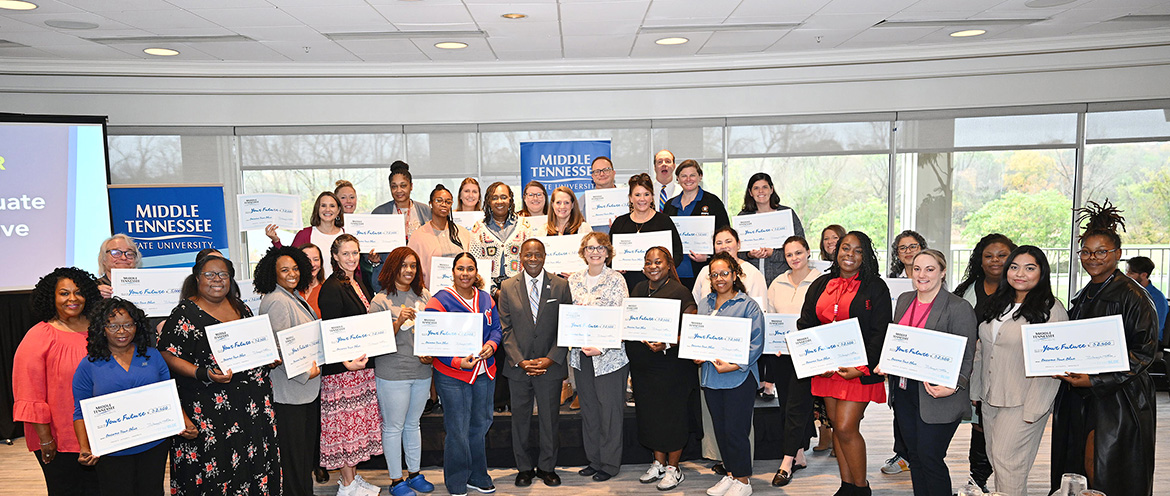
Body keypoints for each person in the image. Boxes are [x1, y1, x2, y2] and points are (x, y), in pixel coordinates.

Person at [1051, 200, 1157, 496]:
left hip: (1119, 399)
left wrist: (1096, 380)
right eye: (1086, 251)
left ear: (1117, 254)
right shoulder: (1088, 292)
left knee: (1102, 468)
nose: (1092, 257)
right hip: (1083, 395)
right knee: (1080, 470)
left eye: (1101, 252)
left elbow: (1144, 353)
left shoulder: (1134, 296)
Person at [157, 255, 281, 495]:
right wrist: (204, 373)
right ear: (197, 278)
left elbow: (254, 344)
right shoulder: (185, 312)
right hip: (210, 410)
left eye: (223, 275)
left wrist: (268, 357)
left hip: (252, 407)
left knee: (253, 464)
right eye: (210, 274)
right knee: (217, 468)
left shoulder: (240, 307)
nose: (217, 280)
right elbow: (167, 355)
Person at [798, 231, 891, 496]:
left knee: (846, 427)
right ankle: (847, 486)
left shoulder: (876, 287)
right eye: (845, 248)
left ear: (866, 256)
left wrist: (861, 368)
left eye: (858, 251)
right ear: (836, 251)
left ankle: (861, 488)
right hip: (828, 369)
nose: (850, 255)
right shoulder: (820, 283)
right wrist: (815, 361)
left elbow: (881, 331)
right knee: (838, 430)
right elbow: (806, 324)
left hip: (857, 371)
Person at [970, 245, 1068, 496]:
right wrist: (976, 391)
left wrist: (1035, 409)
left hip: (1024, 403)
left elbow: (1054, 364)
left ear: (1042, 272)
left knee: (1008, 464)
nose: (1020, 273)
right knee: (998, 462)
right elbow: (983, 349)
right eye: (1014, 267)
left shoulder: (1051, 310)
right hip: (992, 398)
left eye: (1029, 268)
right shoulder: (1000, 303)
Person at [72, 297, 194, 496]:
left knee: (152, 491)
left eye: (128, 324)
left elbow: (169, 396)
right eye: (113, 326)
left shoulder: (153, 356)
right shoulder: (89, 365)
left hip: (153, 445)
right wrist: (84, 447)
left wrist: (185, 422)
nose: (122, 332)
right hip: (111, 450)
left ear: (137, 326)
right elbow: (80, 411)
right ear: (101, 328)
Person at [881, 249, 977, 496]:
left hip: (938, 394)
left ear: (943, 272)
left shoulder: (959, 307)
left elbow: (967, 356)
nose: (922, 275)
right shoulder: (903, 299)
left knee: (930, 456)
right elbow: (898, 342)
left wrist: (954, 385)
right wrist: (887, 362)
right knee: (914, 455)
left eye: (930, 269)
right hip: (903, 391)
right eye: (917, 269)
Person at [13, 267, 103, 495]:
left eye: (79, 292)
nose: (72, 299)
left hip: (104, 433)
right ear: (51, 298)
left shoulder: (101, 331)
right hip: (60, 440)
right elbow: (29, 393)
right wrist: (45, 439)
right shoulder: (39, 336)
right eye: (64, 293)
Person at [424, 252, 503, 496]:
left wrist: (492, 346)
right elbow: (432, 341)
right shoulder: (439, 301)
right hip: (452, 375)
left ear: (476, 272)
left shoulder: (487, 299)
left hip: (483, 372)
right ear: (453, 272)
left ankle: (478, 475)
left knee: (480, 425)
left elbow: (497, 330)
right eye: (461, 269)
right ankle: (457, 479)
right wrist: (458, 362)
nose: (465, 274)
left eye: (470, 269)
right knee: (457, 428)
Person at [498, 239, 574, 487]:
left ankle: (547, 467)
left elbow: (567, 326)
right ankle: (523, 468)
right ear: (520, 256)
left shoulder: (561, 285)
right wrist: (520, 361)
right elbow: (505, 329)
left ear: (544, 256)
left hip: (549, 366)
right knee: (519, 419)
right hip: (518, 367)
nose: (533, 259)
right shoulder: (508, 286)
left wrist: (551, 358)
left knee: (549, 419)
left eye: (537, 254)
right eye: (528, 254)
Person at [316, 235, 383, 496]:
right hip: (344, 373)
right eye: (346, 254)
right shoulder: (332, 287)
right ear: (334, 256)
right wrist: (345, 364)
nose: (352, 258)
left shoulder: (356, 281)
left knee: (356, 429)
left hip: (361, 369)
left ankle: (352, 479)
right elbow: (331, 332)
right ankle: (346, 485)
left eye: (355, 253)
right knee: (345, 430)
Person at [626, 246, 698, 491]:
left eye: (658, 262)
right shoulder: (637, 289)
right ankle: (658, 462)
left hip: (673, 368)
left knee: (672, 417)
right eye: (648, 262)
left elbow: (691, 328)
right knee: (651, 416)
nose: (652, 266)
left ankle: (674, 468)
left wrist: (667, 342)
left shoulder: (680, 292)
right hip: (644, 369)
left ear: (668, 265)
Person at [368, 247, 437, 496]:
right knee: (394, 426)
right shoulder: (380, 300)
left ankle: (415, 474)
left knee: (413, 424)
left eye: (413, 265)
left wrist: (431, 354)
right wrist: (397, 322)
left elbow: (433, 334)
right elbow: (374, 342)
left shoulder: (426, 296)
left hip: (421, 371)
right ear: (393, 268)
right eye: (403, 265)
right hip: (392, 373)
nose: (409, 270)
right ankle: (396, 480)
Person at [254, 246, 323, 496]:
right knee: (294, 461)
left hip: (303, 393)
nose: (292, 273)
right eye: (284, 270)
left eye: (295, 268)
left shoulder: (292, 295)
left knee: (302, 458)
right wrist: (306, 373)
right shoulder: (277, 300)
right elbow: (275, 348)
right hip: (290, 393)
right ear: (273, 274)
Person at [696, 253, 765, 496]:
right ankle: (730, 474)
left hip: (738, 378)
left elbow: (756, 345)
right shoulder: (705, 304)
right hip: (711, 377)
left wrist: (733, 365)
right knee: (721, 429)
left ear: (735, 275)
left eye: (725, 273)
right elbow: (700, 336)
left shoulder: (748, 306)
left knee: (736, 430)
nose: (720, 278)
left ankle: (744, 481)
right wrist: (696, 353)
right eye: (714, 275)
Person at [564, 234, 630, 482]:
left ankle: (610, 464)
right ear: (583, 251)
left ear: (607, 251)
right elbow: (567, 316)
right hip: (580, 356)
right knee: (589, 410)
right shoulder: (573, 280)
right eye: (590, 247)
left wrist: (602, 347)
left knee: (610, 412)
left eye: (600, 247)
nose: (595, 252)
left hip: (610, 357)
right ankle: (594, 460)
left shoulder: (616, 279)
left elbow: (622, 317)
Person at [953, 233, 1015, 491]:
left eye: (1002, 255)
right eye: (988, 256)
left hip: (1008, 373)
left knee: (999, 429)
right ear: (980, 260)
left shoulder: (1022, 289)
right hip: (974, 371)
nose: (995, 260)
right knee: (979, 426)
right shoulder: (966, 290)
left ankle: (1002, 480)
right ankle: (977, 480)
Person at [764, 236, 820, 487]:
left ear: (808, 252)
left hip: (808, 354)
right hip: (781, 354)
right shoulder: (777, 282)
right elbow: (770, 316)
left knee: (798, 405)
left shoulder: (821, 281)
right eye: (789, 255)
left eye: (799, 252)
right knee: (787, 404)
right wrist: (772, 343)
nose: (794, 258)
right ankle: (798, 454)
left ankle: (786, 462)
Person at [880, 229, 927, 477]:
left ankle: (919, 452)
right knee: (899, 402)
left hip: (921, 350)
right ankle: (903, 453)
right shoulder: (891, 280)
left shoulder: (930, 276)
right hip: (898, 348)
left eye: (913, 246)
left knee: (920, 403)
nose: (908, 252)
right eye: (903, 248)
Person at [609, 173, 684, 291]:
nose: (642, 199)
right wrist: (615, 265)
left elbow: (677, 254)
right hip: (627, 284)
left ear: (652, 197)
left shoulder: (664, 221)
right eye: (637, 194)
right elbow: (609, 254)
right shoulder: (620, 223)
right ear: (630, 197)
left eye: (646, 194)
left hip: (660, 286)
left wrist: (660, 269)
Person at [664, 159, 730, 288]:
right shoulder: (670, 205)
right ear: (677, 178)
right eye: (684, 176)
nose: (688, 179)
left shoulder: (713, 202)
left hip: (703, 270)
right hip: (674, 272)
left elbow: (725, 235)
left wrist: (709, 257)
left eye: (692, 175)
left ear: (700, 177)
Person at [369, 161, 433, 292]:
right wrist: (373, 258)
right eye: (394, 186)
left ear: (411, 186)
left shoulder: (426, 211)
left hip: (419, 277)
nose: (399, 191)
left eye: (403, 186)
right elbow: (368, 249)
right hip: (389, 279)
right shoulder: (379, 213)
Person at [738, 172, 806, 285]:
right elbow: (737, 252)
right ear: (750, 192)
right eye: (756, 188)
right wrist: (749, 255)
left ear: (772, 189)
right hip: (751, 279)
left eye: (765, 187)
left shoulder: (786, 214)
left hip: (784, 277)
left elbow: (801, 247)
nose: (761, 191)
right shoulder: (743, 217)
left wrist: (773, 253)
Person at [468, 182, 533, 293]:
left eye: (504, 197)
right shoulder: (479, 228)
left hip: (519, 289)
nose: (499, 202)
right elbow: (475, 263)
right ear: (489, 201)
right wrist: (493, 291)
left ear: (510, 200)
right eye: (494, 198)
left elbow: (530, 260)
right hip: (487, 290)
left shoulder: (524, 226)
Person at [265, 191, 345, 279]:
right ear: (317, 209)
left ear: (338, 210)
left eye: (332, 206)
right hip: (310, 289)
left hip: (341, 290)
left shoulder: (346, 234)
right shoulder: (305, 234)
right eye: (323, 205)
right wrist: (276, 241)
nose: (327, 209)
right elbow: (289, 259)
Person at [407, 185, 470, 291]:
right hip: (431, 294)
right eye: (439, 200)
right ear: (430, 204)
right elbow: (412, 268)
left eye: (448, 202)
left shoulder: (463, 233)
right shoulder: (418, 236)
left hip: (462, 292)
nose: (443, 205)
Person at [692, 227, 766, 314]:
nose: (723, 246)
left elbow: (759, 311)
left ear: (738, 244)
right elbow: (697, 303)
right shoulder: (705, 271)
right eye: (719, 243)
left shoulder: (752, 273)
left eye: (728, 241)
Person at [1126, 256, 1167, 340]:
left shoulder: (1157, 298)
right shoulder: (1127, 293)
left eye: (1131, 273)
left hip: (1148, 342)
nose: (1127, 276)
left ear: (1144, 275)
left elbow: (1155, 328)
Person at [95, 234, 141, 298]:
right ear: (103, 259)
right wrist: (94, 294)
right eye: (116, 253)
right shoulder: (92, 288)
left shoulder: (147, 287)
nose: (124, 258)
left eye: (129, 254)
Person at [587, 156, 618, 235]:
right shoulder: (584, 201)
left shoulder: (627, 197)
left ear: (613, 173)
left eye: (606, 170)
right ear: (593, 177)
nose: (602, 174)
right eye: (597, 171)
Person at [298, 243, 326, 316]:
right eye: (307, 260)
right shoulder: (292, 290)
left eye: (316, 259)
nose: (312, 264)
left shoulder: (327, 288)